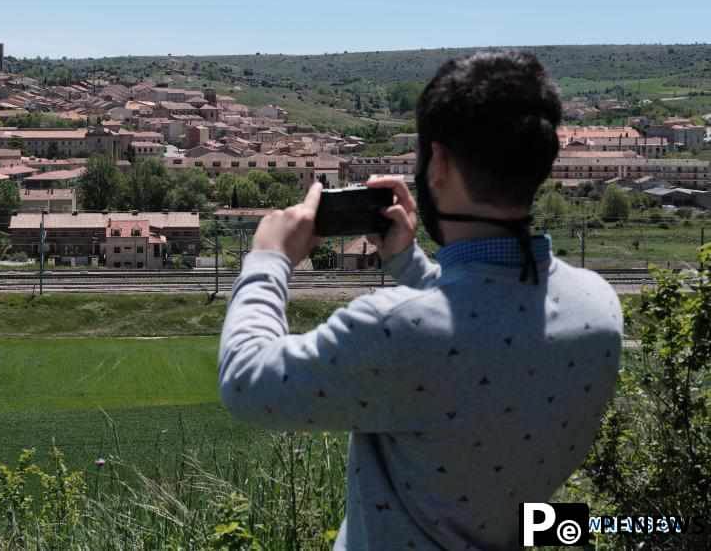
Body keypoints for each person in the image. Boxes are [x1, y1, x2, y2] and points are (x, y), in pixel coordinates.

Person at [218, 51, 623, 550]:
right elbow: (482, 324)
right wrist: (409, 264)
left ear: (441, 164)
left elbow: (246, 383)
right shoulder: (599, 308)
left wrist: (268, 259)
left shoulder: (393, 330)